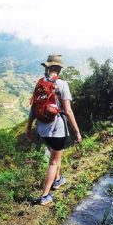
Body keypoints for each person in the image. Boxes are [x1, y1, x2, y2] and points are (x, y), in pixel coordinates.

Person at [25, 54, 82, 206]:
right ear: (58, 69)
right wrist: (77, 132)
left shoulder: (39, 84)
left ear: (47, 68)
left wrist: (29, 128)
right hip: (57, 129)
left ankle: (57, 181)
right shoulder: (62, 85)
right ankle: (44, 196)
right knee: (54, 161)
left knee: (56, 155)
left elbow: (33, 108)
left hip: (42, 129)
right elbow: (68, 111)